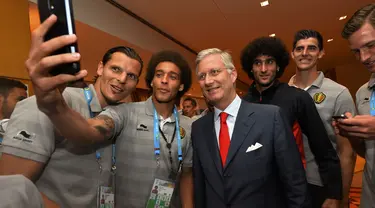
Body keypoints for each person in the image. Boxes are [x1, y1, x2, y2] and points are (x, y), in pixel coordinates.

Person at [24, 18, 194, 207]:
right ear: (151, 81)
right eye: (159, 74)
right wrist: (55, 107)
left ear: (181, 86)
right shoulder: (124, 112)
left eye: (172, 77)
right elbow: (90, 131)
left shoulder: (189, 125)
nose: (164, 80)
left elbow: (186, 173)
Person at [0, 15, 143, 208]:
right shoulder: (50, 104)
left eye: (131, 76)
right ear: (100, 68)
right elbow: (10, 189)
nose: (122, 79)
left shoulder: (119, 116)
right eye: (115, 69)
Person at [192, 48, 310, 207]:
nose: (207, 81)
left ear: (232, 75)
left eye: (214, 72)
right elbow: (200, 188)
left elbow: (295, 183)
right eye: (202, 76)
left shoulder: (270, 118)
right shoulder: (199, 128)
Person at [241, 37, 343, 208]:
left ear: (278, 65)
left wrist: (333, 193)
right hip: (253, 192)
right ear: (251, 68)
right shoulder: (242, 103)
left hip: (290, 191)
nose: (264, 69)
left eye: (270, 62)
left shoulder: (296, 98)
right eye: (258, 63)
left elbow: (322, 147)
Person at [289, 30, 356, 208]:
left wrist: (340, 197)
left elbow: (346, 152)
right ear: (292, 53)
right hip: (287, 186)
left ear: (321, 53)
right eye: (299, 48)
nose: (305, 53)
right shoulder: (281, 94)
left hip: (322, 186)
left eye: (311, 48)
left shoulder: (339, 93)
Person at [334, 3, 375, 207]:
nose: (364, 58)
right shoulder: (362, 93)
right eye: (357, 51)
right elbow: (366, 152)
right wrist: (352, 134)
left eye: (370, 45)